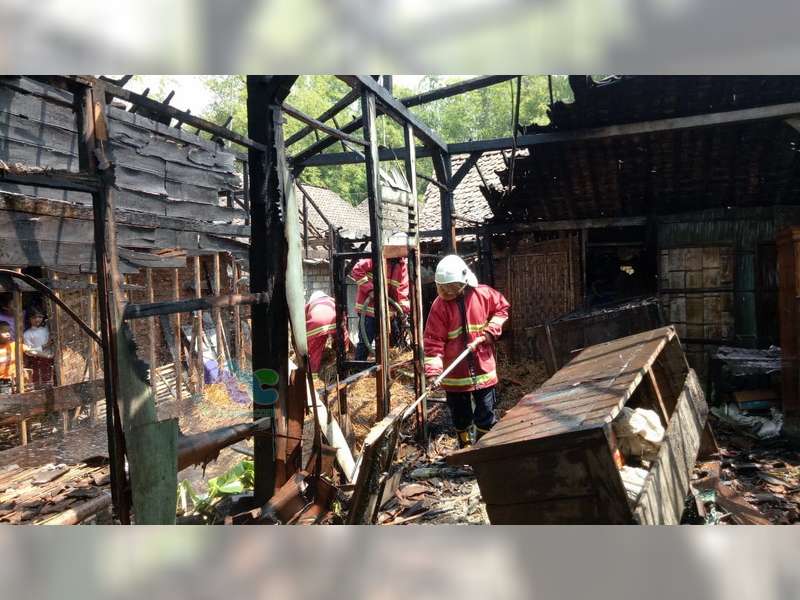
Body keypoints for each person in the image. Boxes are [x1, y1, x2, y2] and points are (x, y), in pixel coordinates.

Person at [423, 255, 510, 448]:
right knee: (460, 418)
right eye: (442, 287)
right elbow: (433, 342)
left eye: (450, 287)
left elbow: (502, 309)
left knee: (486, 414)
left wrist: (489, 333)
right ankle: (465, 449)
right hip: (455, 376)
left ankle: (483, 449)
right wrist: (433, 373)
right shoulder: (439, 306)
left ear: (463, 282)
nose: (445, 292)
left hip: (483, 369)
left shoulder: (483, 294)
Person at [351, 255, 410, 361]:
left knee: (395, 342)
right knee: (365, 343)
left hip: (387, 313)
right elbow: (356, 270)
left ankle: (393, 370)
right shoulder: (375, 257)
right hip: (368, 311)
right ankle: (358, 371)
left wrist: (403, 310)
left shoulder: (402, 266)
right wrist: (371, 290)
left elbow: (401, 291)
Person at [305, 290, 343, 374]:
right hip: (335, 322)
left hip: (316, 325)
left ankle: (313, 373)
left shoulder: (310, 304)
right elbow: (342, 313)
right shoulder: (332, 301)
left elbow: (303, 319)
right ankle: (343, 362)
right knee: (341, 343)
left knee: (314, 350)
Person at [23, 306, 53, 388]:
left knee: (50, 382)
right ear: (29, 319)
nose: (37, 319)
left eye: (40, 317)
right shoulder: (27, 334)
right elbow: (28, 351)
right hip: (37, 362)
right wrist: (44, 346)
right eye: (34, 317)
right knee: (39, 383)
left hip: (51, 359)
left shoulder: (47, 329)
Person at [0, 322, 23, 394]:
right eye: (4, 331)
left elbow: (31, 351)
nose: (8, 334)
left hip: (13, 379)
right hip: (1, 380)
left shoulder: (14, 345)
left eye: (9, 331)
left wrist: (47, 352)